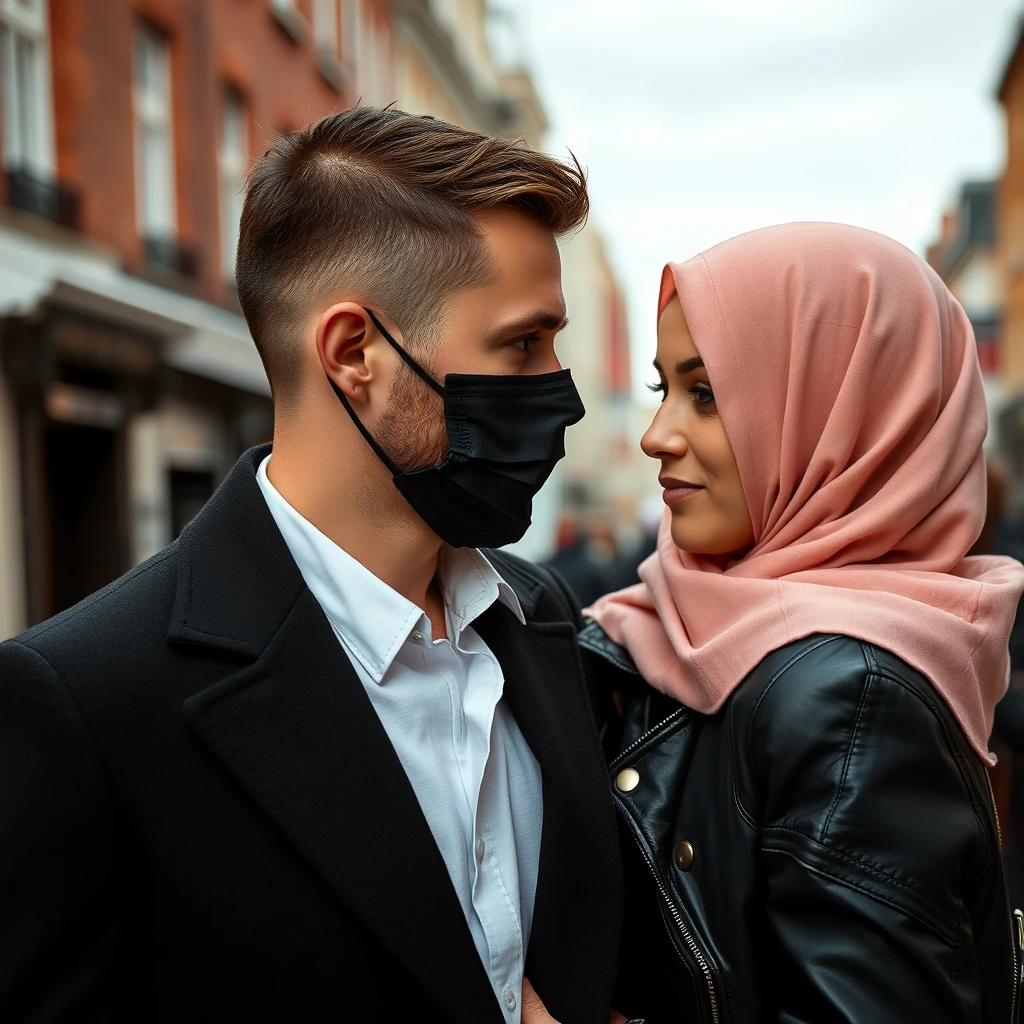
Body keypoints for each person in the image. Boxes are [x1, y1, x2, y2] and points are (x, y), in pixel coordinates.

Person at [0, 108, 622, 1023]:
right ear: (353, 353)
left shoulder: (541, 616)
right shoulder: (87, 700)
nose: (559, 395)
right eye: (522, 343)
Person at [574, 223, 1024, 1021]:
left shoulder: (852, 696)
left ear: (839, 412)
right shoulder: (686, 623)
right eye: (662, 389)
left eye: (706, 394)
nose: (656, 435)